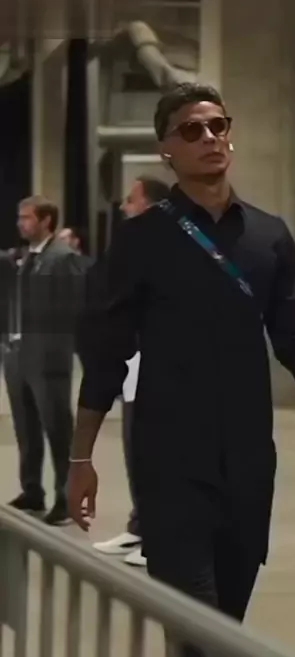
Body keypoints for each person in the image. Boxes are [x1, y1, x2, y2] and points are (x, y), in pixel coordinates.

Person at [67, 83, 295, 657]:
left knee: (211, 646)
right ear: (166, 150)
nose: (209, 138)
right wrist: (80, 458)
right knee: (199, 641)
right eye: (192, 130)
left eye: (218, 125)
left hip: (249, 465)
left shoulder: (269, 236)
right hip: (170, 464)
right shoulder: (142, 239)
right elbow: (106, 355)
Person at [92, 176, 170, 566]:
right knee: (135, 450)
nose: (123, 207)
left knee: (160, 457)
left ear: (150, 206)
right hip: (133, 362)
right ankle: (140, 526)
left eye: (130, 200)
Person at [6, 196, 86, 525]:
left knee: (58, 431)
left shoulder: (62, 257)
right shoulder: (27, 256)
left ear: (45, 221)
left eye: (27, 218)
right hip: (19, 357)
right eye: (19, 217)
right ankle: (32, 490)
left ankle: (67, 500)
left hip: (48, 358)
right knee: (26, 430)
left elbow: (74, 309)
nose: (20, 223)